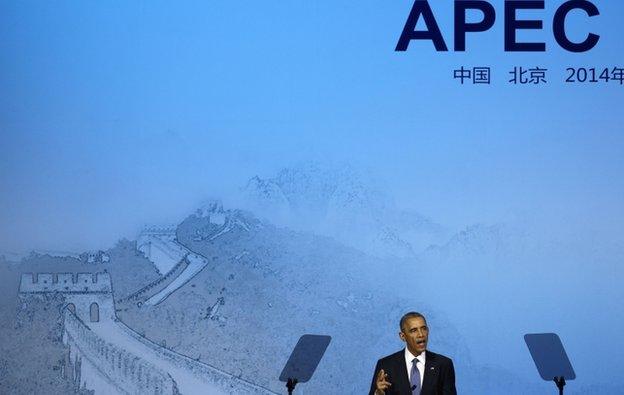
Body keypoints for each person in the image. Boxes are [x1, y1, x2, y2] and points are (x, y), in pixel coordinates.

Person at [369, 312, 456, 395]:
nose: (421, 334)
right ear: (402, 336)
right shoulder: (386, 365)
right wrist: (378, 393)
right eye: (414, 330)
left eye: (423, 328)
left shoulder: (443, 364)